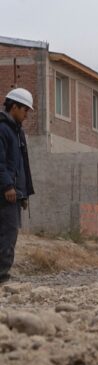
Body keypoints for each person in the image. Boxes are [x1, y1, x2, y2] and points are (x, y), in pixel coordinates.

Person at [0, 88, 35, 284]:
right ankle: (2, 278)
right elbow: (0, 163)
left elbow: (22, 166)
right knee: (7, 234)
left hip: (12, 194)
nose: (26, 114)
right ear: (14, 107)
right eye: (25, 110)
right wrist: (7, 187)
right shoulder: (3, 129)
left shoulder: (16, 131)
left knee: (9, 235)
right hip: (4, 194)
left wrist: (23, 194)